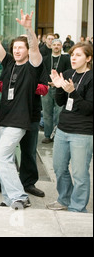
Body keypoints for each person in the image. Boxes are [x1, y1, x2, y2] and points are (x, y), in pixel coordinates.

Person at [0, 9, 42, 210]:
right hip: (3, 119)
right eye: (16, 47)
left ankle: (20, 196)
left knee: (0, 156)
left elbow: (36, 47)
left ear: (28, 50)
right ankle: (8, 198)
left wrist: (29, 29)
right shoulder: (10, 63)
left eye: (22, 47)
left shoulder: (33, 65)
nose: (18, 50)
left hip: (19, 121)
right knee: (7, 159)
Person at [47, 43, 93, 213]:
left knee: (80, 174)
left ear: (88, 59)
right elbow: (60, 102)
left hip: (83, 132)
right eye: (72, 54)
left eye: (78, 55)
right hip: (63, 129)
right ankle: (64, 199)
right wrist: (59, 88)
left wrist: (72, 92)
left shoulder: (91, 77)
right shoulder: (67, 74)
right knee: (59, 168)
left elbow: (89, 108)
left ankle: (78, 207)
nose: (73, 58)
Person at [41, 38, 71, 144]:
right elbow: (42, 73)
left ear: (61, 47)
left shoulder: (66, 59)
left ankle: (57, 135)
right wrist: (47, 83)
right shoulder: (45, 59)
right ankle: (48, 135)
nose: (56, 47)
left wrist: (59, 83)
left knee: (59, 113)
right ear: (51, 46)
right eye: (55, 45)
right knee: (47, 113)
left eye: (58, 45)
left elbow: (69, 73)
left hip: (61, 89)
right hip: (48, 88)